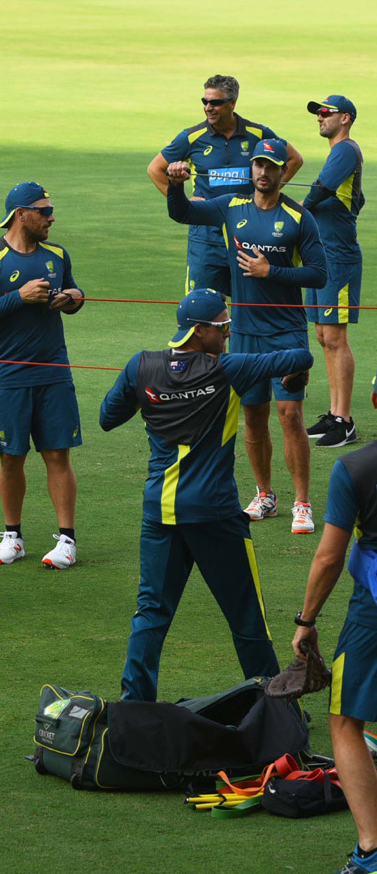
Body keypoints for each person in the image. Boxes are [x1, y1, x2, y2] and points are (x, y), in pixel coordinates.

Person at [101, 289, 312, 701]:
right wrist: (291, 377)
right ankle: (277, 710)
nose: (229, 332)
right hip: (214, 515)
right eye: (222, 327)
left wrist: (155, 395)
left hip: (159, 512)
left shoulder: (141, 365)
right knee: (247, 619)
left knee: (151, 615)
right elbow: (299, 357)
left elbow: (109, 417)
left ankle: (135, 706)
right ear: (198, 331)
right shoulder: (229, 369)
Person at [167, 139, 328, 533]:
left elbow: (319, 274)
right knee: (253, 416)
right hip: (244, 334)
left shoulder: (298, 217)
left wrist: (270, 272)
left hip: (287, 332)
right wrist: (174, 184)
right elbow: (183, 213)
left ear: (280, 171)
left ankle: (302, 503)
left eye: (271, 166)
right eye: (258, 165)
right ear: (252, 168)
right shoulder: (230, 207)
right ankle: (265, 495)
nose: (263, 172)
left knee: (290, 415)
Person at [0, 183, 84, 569]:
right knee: (10, 458)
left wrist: (74, 299)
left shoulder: (57, 254)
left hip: (53, 373)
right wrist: (19, 297)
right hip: (7, 377)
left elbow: (74, 291)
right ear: (21, 214)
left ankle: (67, 541)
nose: (52, 217)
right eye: (44, 211)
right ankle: (12, 537)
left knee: (57, 455)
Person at [290, 381, 377, 874]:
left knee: (345, 720)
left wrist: (306, 621)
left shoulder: (354, 468)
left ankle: (372, 851)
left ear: (374, 402)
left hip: (372, 614)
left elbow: (328, 557)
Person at [146, 74, 303, 295]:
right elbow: (155, 169)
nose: (208, 107)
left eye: (215, 102)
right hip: (206, 238)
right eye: (205, 101)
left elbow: (294, 159)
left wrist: (264, 194)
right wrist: (186, 203)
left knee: (249, 304)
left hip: (247, 235)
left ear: (232, 103)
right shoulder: (192, 137)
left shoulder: (257, 134)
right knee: (203, 308)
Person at [303, 95, 365, 449]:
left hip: (338, 258)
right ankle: (333, 413)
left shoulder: (345, 150)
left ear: (345, 118)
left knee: (336, 337)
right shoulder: (337, 152)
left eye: (326, 113)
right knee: (324, 336)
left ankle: (345, 421)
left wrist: (291, 208)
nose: (320, 118)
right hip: (322, 257)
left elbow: (320, 191)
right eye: (318, 113)